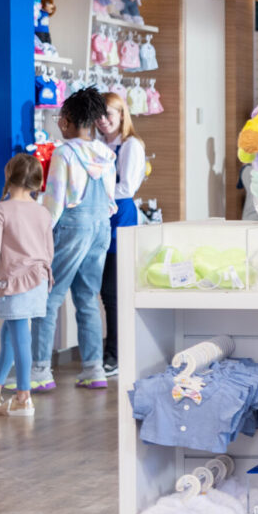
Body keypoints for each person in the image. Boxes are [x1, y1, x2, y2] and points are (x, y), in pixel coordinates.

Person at [29, 87, 117, 391]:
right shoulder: (105, 152)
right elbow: (111, 195)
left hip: (72, 226)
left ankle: (40, 370)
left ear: (66, 121)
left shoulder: (64, 153)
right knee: (88, 299)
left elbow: (54, 200)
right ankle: (94, 369)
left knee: (49, 297)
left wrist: (39, 233)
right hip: (100, 226)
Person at [0, 153, 54, 417]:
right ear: (36, 181)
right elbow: (49, 251)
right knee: (10, 333)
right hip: (39, 279)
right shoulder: (42, 212)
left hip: (14, 283)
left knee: (19, 338)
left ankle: (23, 397)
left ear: (9, 175)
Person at [96, 91, 146, 377]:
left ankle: (115, 354)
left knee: (113, 291)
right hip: (103, 216)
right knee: (105, 292)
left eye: (109, 115)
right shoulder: (101, 145)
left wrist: (94, 194)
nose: (103, 121)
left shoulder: (130, 146)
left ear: (121, 115)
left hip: (120, 217)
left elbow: (127, 187)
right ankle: (112, 351)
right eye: (99, 116)